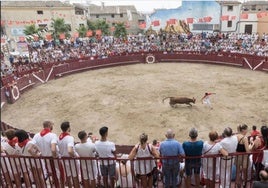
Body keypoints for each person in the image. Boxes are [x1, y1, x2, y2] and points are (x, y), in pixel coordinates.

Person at [32, 120, 60, 185]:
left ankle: (53, 183)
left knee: (50, 172)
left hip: (44, 157)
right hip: (53, 158)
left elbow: (31, 147)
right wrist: (55, 156)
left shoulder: (36, 135)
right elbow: (53, 149)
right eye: (52, 125)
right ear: (49, 126)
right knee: (58, 173)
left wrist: (38, 153)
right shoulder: (52, 135)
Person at [58, 121, 80, 188]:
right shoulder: (70, 138)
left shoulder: (59, 138)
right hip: (71, 160)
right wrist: (75, 156)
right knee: (75, 177)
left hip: (64, 160)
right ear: (68, 128)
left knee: (68, 177)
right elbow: (70, 151)